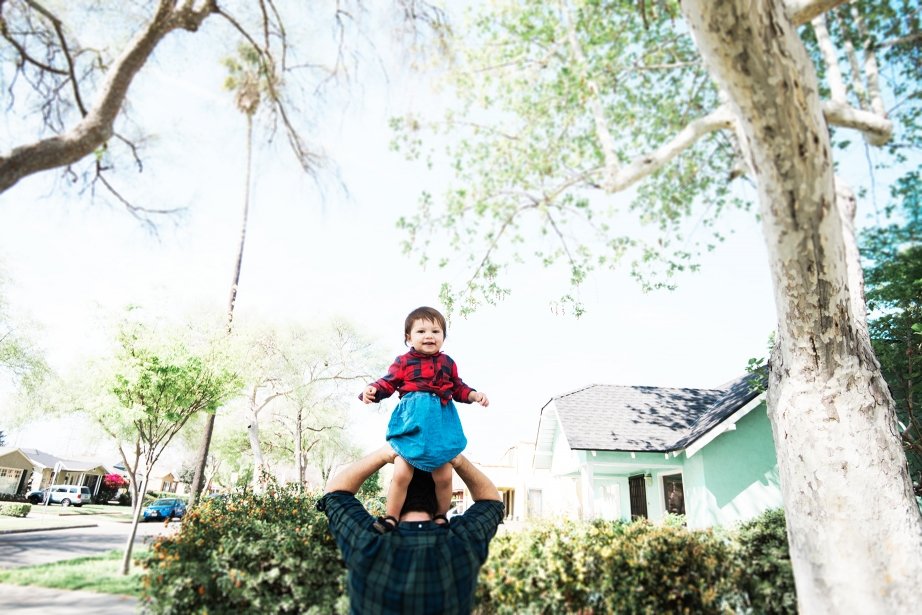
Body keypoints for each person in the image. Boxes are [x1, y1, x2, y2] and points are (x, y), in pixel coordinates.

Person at [317, 445, 504, 615]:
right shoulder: (463, 541)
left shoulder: (366, 540)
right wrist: (457, 459)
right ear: (441, 497)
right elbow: (492, 502)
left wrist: (385, 453)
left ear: (395, 494)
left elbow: (334, 494)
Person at [359, 306, 489, 532]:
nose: (429, 336)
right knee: (401, 472)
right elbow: (388, 382)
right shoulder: (403, 362)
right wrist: (372, 390)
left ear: (443, 338)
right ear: (408, 338)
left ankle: (440, 515)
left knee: (444, 475)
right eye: (421, 331)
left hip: (440, 425)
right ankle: (391, 517)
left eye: (435, 331)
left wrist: (474, 395)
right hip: (413, 423)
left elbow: (458, 387)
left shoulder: (447, 363)